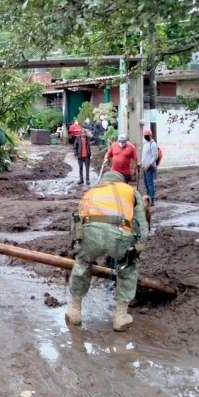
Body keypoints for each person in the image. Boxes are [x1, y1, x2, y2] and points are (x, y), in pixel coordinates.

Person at [64, 171, 148, 332]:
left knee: (82, 263)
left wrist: (78, 250)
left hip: (89, 232)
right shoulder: (130, 191)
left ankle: (74, 310)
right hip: (119, 233)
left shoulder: (90, 192)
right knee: (128, 266)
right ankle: (121, 316)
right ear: (121, 181)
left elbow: (76, 223)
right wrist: (137, 250)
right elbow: (141, 226)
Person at [141, 129, 158, 205]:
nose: (146, 137)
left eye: (147, 136)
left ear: (151, 135)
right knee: (146, 183)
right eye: (145, 136)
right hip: (144, 166)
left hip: (150, 167)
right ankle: (148, 198)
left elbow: (155, 156)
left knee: (150, 183)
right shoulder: (145, 144)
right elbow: (145, 156)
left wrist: (148, 165)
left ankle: (151, 199)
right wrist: (141, 162)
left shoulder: (153, 144)